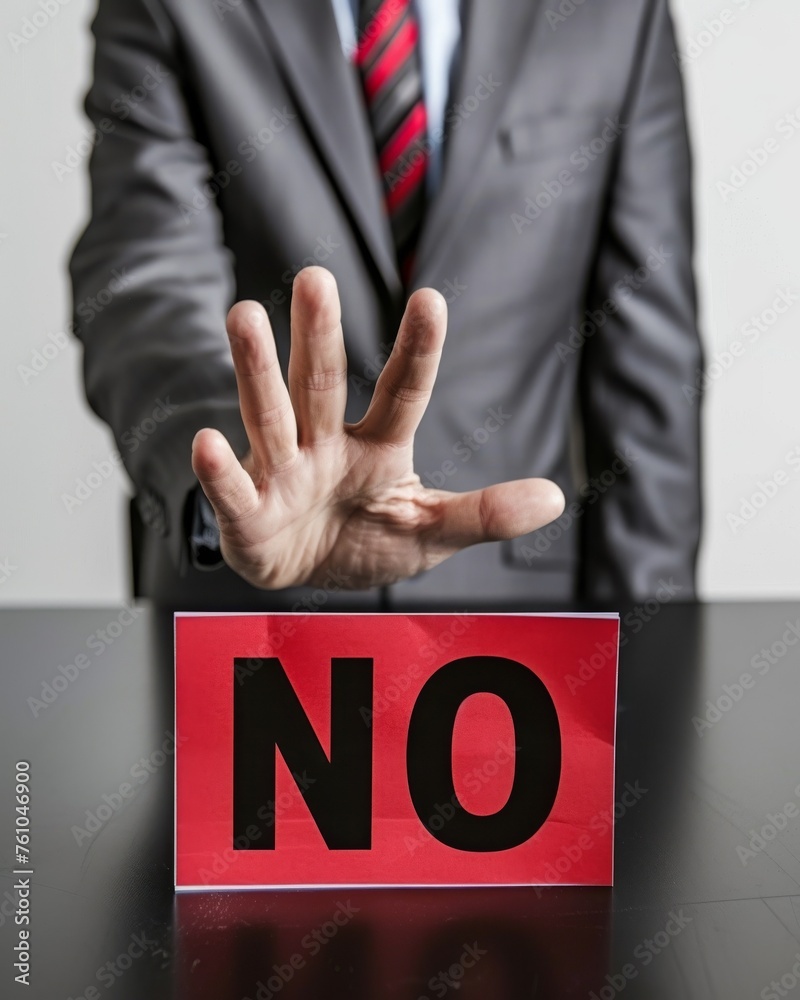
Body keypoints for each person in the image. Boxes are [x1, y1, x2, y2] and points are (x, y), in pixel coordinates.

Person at [69, 0, 702, 610]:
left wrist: (653, 644)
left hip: (511, 614)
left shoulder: (617, 10)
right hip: (244, 616)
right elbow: (144, 285)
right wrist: (243, 480)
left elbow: (650, 357)